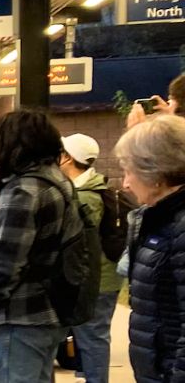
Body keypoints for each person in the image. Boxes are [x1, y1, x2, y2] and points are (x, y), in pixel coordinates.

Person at [0, 109, 76, 382]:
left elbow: (7, 263)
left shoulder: (23, 190)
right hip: (48, 310)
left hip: (20, 317)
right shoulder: (57, 181)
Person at [118, 114, 185, 382]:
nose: (125, 183)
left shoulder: (179, 226)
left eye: (128, 171)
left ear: (155, 172)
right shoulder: (157, 219)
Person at [60, 133, 121, 383]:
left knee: (93, 337)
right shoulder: (89, 188)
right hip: (98, 277)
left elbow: (78, 241)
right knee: (87, 336)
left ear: (67, 158)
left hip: (98, 281)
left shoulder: (86, 196)